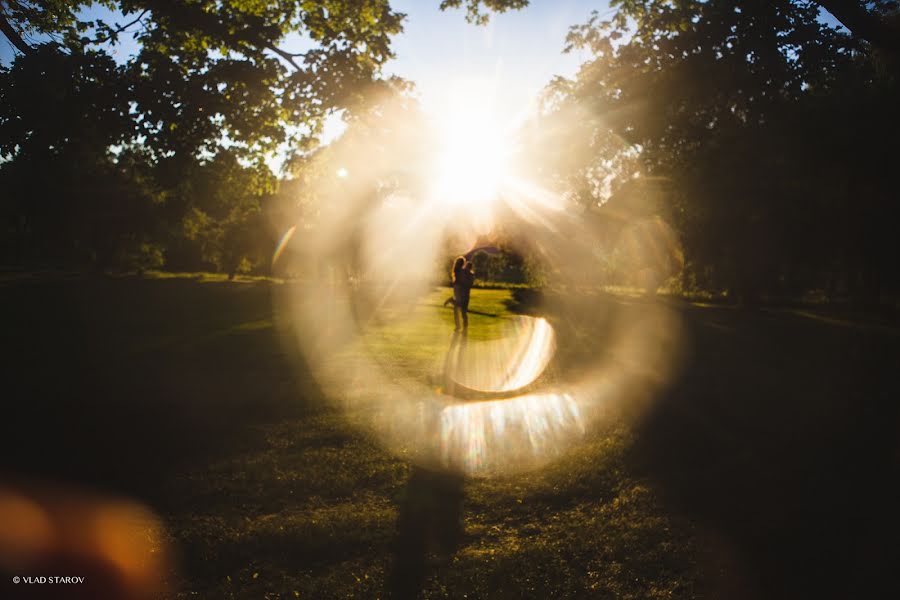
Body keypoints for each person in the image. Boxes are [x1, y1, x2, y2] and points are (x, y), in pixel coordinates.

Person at [453, 261, 475, 330]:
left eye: (466, 267)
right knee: (462, 312)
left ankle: (463, 326)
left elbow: (468, 284)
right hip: (464, 295)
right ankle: (462, 326)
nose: (465, 268)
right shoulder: (466, 273)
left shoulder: (470, 275)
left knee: (463, 312)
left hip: (464, 295)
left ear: (469, 267)